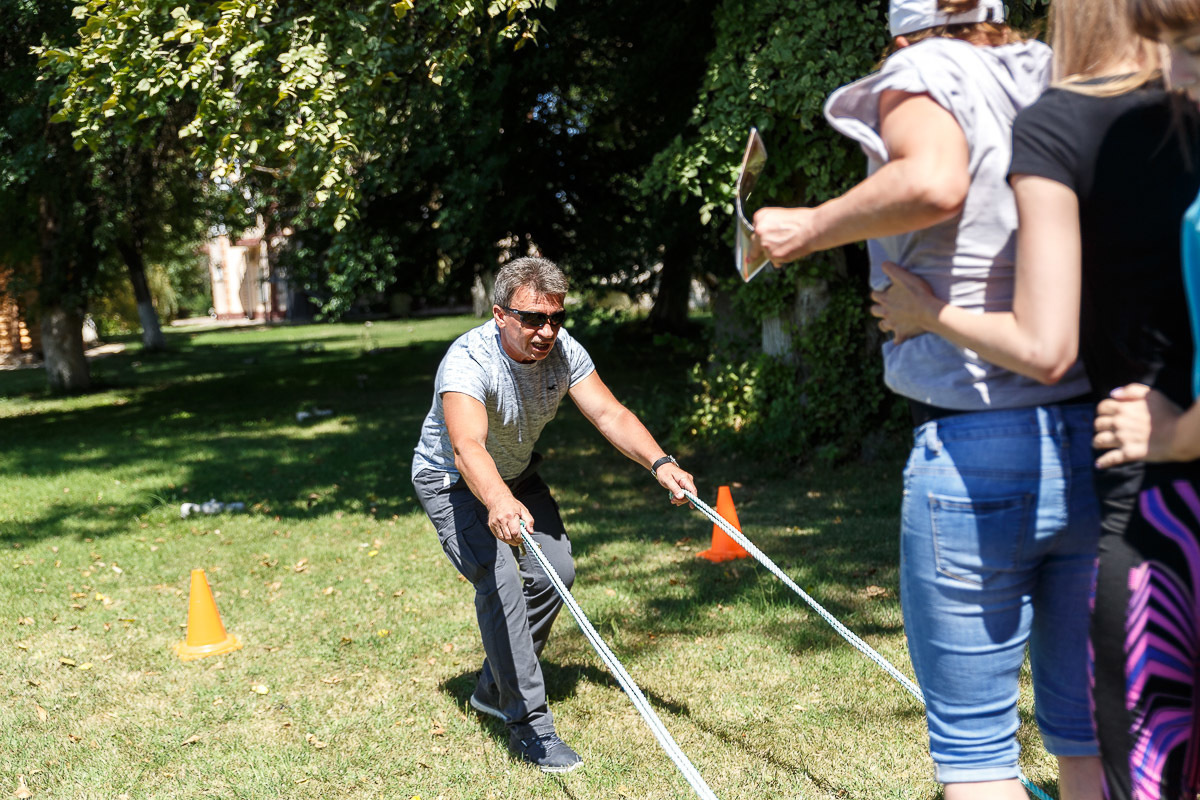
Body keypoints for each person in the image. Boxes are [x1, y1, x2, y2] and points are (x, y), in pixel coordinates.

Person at [747, 1, 1103, 797]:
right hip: (1094, 432)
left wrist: (809, 227)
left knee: (978, 757)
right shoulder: (1049, 70)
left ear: (901, 34)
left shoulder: (922, 69)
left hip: (976, 449)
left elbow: (935, 178)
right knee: (1089, 737)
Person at [869, 0, 1200, 796]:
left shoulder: (1057, 122)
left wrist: (916, 306)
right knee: (1087, 738)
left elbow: (1045, 343)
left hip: (1012, 455)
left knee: (979, 752)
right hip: (1096, 448)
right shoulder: (1150, 123)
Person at [411, 256, 696, 773]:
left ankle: (494, 687)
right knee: (499, 582)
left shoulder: (563, 351)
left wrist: (661, 463)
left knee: (554, 572)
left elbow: (609, 413)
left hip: (516, 474)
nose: (546, 331)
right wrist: (497, 501)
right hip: (454, 482)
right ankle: (529, 726)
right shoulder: (468, 362)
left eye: (556, 318)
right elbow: (467, 447)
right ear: (500, 314)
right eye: (532, 319)